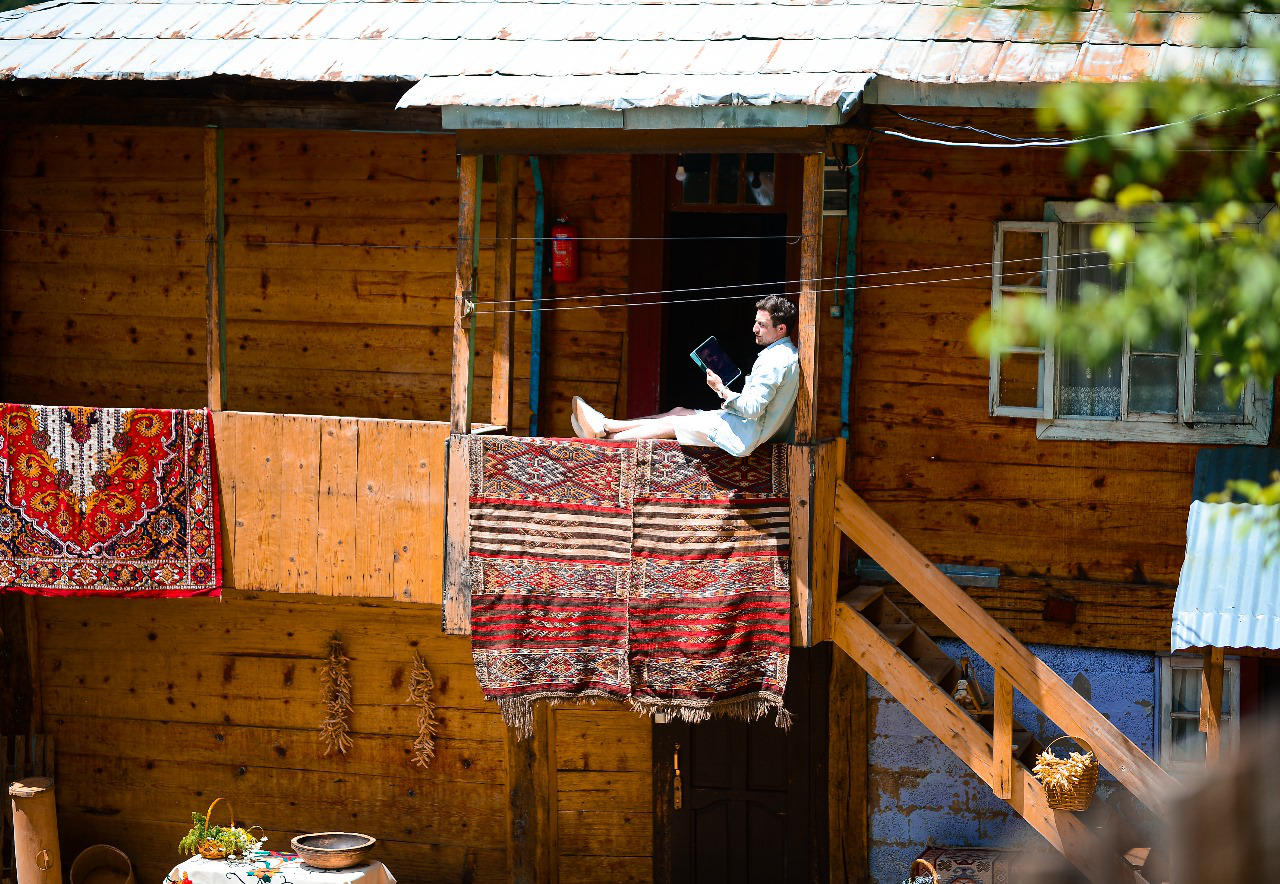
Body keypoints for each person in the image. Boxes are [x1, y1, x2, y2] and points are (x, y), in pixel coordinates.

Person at [571, 294, 800, 457]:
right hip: (746, 424)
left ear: (781, 329)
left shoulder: (774, 361)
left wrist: (721, 388)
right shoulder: (785, 354)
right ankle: (605, 426)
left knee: (675, 422)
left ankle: (604, 436)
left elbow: (753, 409)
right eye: (755, 322)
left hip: (745, 434)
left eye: (761, 324)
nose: (754, 329)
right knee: (679, 412)